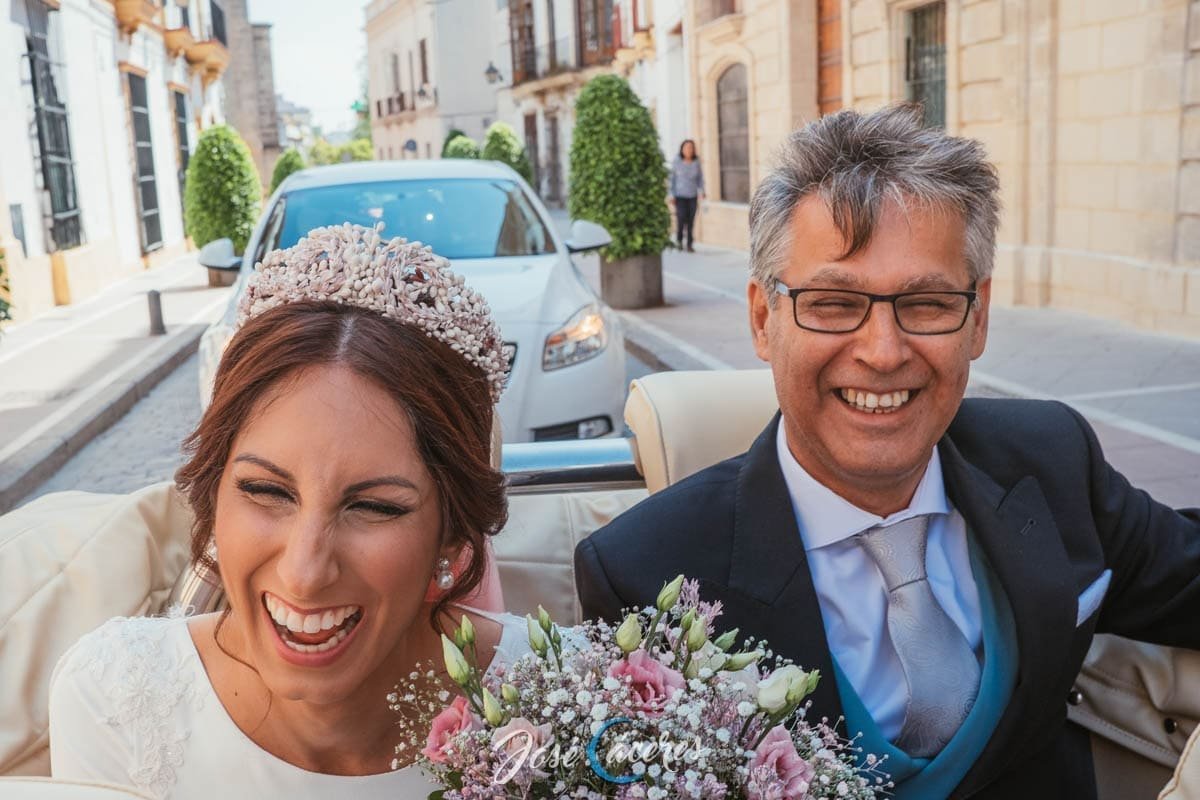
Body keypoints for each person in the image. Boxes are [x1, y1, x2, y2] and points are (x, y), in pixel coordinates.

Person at [575, 105, 1200, 799]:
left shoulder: (1052, 461)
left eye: (928, 303)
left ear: (978, 318)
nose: (883, 352)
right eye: (834, 303)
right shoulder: (645, 572)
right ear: (762, 318)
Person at [48, 224, 530, 798]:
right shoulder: (114, 698)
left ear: (452, 535)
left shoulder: (573, 695)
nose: (305, 572)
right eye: (267, 491)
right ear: (213, 492)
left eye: (373, 506)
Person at [669, 139, 704, 252]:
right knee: (681, 218)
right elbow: (672, 179)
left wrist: (702, 191)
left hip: (692, 195)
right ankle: (679, 241)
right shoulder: (676, 161)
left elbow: (700, 178)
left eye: (691, 148)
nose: (688, 150)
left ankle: (689, 244)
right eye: (686, 147)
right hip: (680, 196)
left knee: (691, 220)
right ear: (682, 149)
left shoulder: (696, 162)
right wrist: (671, 194)